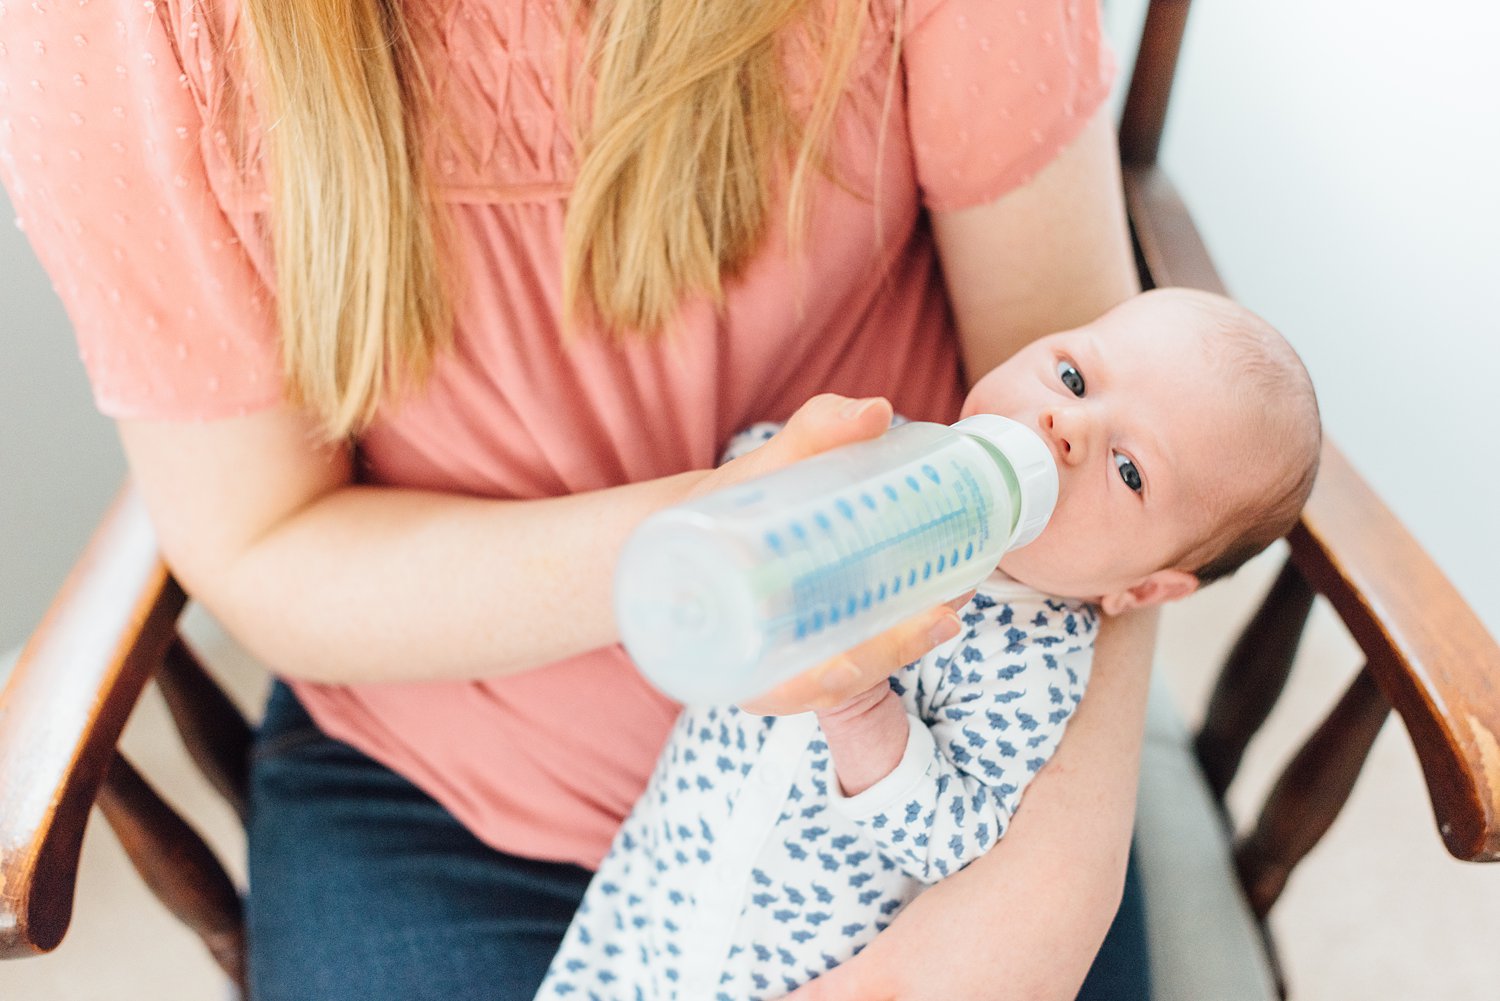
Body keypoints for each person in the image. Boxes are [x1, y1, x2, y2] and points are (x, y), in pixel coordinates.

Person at [1, 0, 1163, 998]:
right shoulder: (124, 37)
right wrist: (691, 548)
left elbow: (1088, 410)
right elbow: (262, 540)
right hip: (452, 801)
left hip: (946, 746)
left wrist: (1056, 873)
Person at [535, 288, 1321, 1000]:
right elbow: (755, 467)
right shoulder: (884, 452)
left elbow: (956, 835)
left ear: (1143, 589)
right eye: (1074, 378)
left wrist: (860, 712)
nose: (1067, 426)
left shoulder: (1038, 661)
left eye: (1129, 470)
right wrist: (772, 475)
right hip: (656, 886)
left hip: (784, 963)